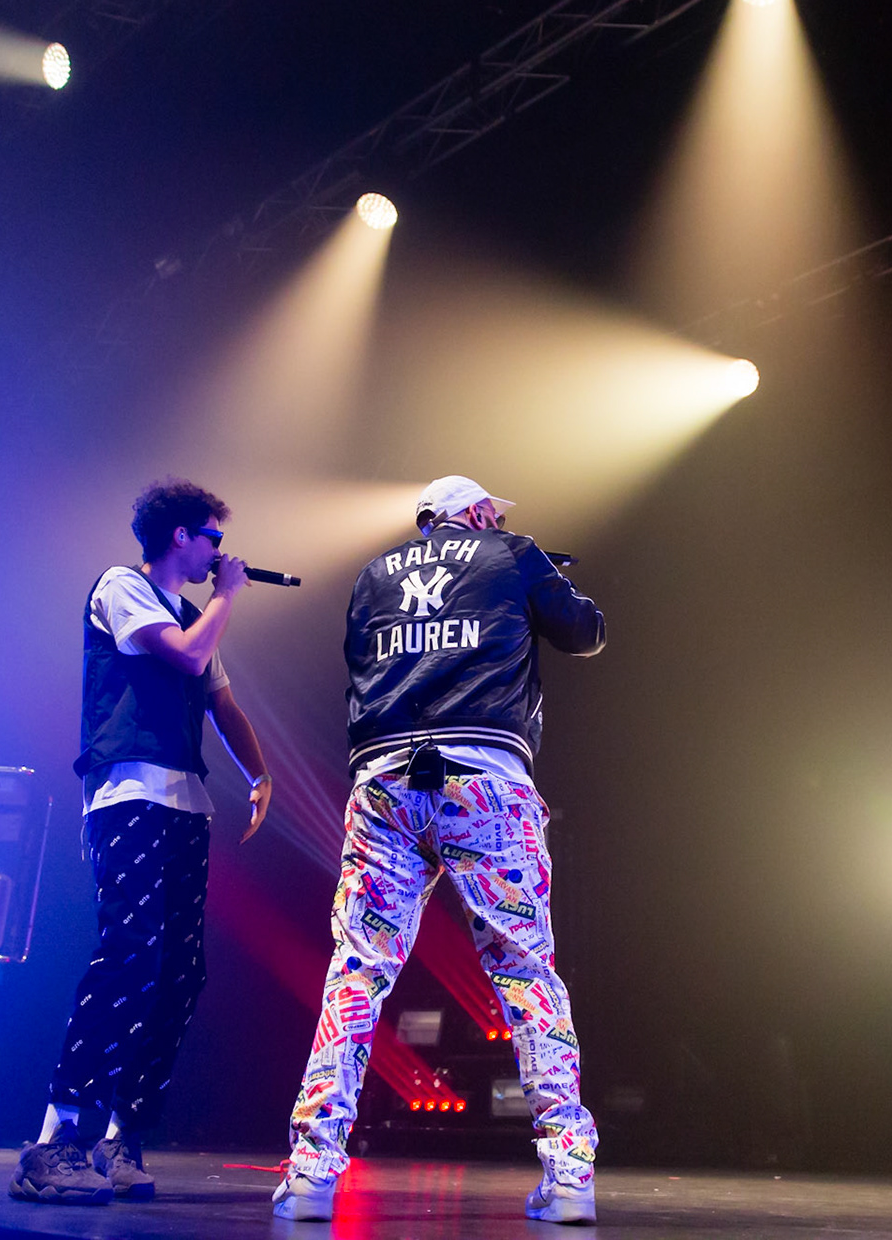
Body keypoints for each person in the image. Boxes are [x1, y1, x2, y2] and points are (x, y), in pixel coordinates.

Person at [272, 475, 606, 1225]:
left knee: (358, 972)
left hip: (385, 780)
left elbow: (360, 665)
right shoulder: (513, 553)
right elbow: (586, 631)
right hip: (484, 781)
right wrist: (540, 576)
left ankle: (310, 1176)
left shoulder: (371, 574)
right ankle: (568, 1174)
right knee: (524, 971)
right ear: (478, 516)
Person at [11, 478, 274, 1205]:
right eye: (213, 539)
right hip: (128, 791)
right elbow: (187, 658)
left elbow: (220, 700)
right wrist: (230, 594)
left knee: (181, 971)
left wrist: (259, 774)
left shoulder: (196, 615)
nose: (221, 553)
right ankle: (56, 1139)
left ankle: (124, 1134)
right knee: (130, 952)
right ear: (182, 536)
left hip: (186, 801)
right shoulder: (122, 588)